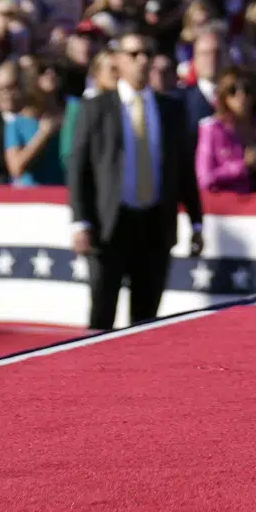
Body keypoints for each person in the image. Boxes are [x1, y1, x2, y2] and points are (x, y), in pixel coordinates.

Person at [66, 33, 202, 329]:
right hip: (110, 224)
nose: (142, 60)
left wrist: (196, 222)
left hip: (154, 222)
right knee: (102, 311)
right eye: (134, 54)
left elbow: (183, 169)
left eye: (148, 53)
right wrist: (80, 221)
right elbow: (79, 168)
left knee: (146, 318)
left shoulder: (171, 109)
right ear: (117, 60)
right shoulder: (96, 108)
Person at [196, 67, 256, 195]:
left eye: (247, 90)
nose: (241, 96)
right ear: (224, 97)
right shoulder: (212, 129)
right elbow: (204, 179)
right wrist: (244, 166)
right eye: (233, 91)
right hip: (232, 208)